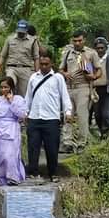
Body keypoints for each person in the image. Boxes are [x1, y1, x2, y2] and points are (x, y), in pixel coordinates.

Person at [27, 50, 72, 181]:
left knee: (52, 148)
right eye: (41, 64)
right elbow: (28, 97)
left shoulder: (58, 78)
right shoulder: (33, 77)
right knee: (33, 147)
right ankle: (34, 173)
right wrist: (25, 112)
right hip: (34, 117)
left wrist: (68, 112)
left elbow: (64, 96)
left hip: (51, 118)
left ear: (51, 63)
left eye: (46, 64)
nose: (44, 66)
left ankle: (53, 173)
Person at [0, 77, 26, 186]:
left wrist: (11, 102)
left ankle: (12, 177)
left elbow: (22, 115)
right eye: (1, 87)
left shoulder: (18, 99)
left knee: (9, 154)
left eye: (6, 87)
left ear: (11, 87)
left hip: (11, 129)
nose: (3, 90)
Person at [60, 30, 97, 144]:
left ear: (84, 40)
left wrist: (93, 76)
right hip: (69, 87)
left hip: (83, 87)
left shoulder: (91, 53)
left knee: (82, 116)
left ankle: (82, 143)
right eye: (75, 41)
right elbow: (61, 69)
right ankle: (67, 142)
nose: (77, 43)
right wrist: (65, 74)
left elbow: (98, 70)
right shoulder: (68, 52)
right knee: (68, 115)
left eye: (79, 40)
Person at [0, 20, 40, 98]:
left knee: (24, 94)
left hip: (26, 69)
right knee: (9, 86)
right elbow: (3, 55)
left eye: (22, 32)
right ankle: (7, 103)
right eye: (19, 31)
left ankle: (21, 105)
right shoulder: (9, 39)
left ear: (26, 30)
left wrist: (37, 73)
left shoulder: (33, 41)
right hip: (11, 68)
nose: (20, 33)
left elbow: (36, 58)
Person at [92, 37, 109, 137]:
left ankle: (107, 134)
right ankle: (101, 132)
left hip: (107, 89)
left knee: (106, 114)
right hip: (95, 90)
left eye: (102, 48)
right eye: (98, 48)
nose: (100, 50)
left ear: (106, 48)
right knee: (97, 114)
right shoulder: (91, 60)